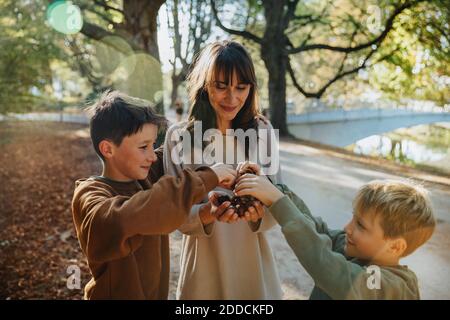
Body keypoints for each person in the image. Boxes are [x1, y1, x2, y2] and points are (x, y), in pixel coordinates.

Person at [71, 90, 236, 299]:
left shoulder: (146, 173)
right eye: (143, 147)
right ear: (108, 149)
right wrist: (208, 177)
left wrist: (205, 212)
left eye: (153, 145)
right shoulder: (91, 197)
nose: (152, 156)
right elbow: (136, 213)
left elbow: (177, 146)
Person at [163, 40, 283, 299]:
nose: (232, 98)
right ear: (205, 85)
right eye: (221, 86)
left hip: (254, 269)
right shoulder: (179, 137)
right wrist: (207, 212)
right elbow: (172, 213)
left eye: (241, 87)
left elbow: (281, 202)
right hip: (202, 273)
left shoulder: (263, 132)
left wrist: (258, 210)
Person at [235, 169, 436, 300]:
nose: (348, 228)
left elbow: (329, 268)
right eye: (353, 218)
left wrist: (278, 202)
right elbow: (315, 228)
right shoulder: (352, 249)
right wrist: (273, 189)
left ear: (395, 246)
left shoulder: (392, 287)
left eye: (361, 225)